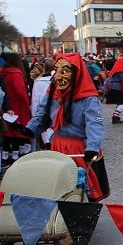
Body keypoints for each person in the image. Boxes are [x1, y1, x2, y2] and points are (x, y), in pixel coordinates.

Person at [25, 54, 108, 200]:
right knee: (59, 186)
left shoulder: (88, 99)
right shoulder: (53, 95)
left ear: (76, 73)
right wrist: (29, 130)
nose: (57, 77)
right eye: (56, 71)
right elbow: (41, 116)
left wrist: (92, 147)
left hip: (79, 149)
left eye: (64, 71)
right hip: (57, 145)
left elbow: (95, 124)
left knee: (81, 186)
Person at [103, 56, 123, 124]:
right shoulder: (120, 71)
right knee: (122, 103)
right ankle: (115, 117)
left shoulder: (115, 70)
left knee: (119, 103)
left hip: (113, 87)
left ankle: (116, 116)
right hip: (117, 88)